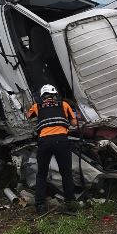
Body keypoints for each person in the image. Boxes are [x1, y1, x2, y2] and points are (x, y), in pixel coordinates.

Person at [27, 84, 79, 214]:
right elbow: (74, 123)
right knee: (66, 173)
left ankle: (40, 206)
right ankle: (71, 205)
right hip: (61, 141)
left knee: (41, 174)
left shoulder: (37, 106)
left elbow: (27, 116)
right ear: (55, 95)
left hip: (44, 142)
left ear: (42, 96)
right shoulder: (64, 105)